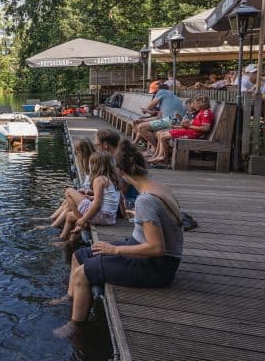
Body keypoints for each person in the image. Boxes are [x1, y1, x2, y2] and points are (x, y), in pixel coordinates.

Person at [52, 140, 183, 338]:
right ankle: (71, 297)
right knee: (79, 255)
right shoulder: (159, 186)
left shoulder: (146, 199)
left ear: (122, 173)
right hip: (145, 248)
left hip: (158, 266)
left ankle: (76, 325)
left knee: (82, 273)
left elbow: (157, 248)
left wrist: (115, 250)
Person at [57, 151, 120, 244]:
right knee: (70, 215)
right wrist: (89, 196)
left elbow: (97, 204)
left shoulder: (99, 180)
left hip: (100, 215)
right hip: (109, 218)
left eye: (90, 163)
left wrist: (83, 219)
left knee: (68, 191)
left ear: (95, 166)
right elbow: (107, 199)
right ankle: (65, 239)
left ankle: (81, 223)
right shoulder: (110, 178)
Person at [149, 95, 214, 165]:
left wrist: (189, 126)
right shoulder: (202, 112)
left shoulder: (206, 113)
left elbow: (206, 128)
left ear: (200, 104)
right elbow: (193, 125)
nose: (194, 106)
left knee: (163, 137)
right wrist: (185, 125)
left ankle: (165, 158)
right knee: (161, 134)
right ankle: (158, 155)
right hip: (189, 131)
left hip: (192, 134)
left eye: (195, 103)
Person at [49, 138, 96, 229]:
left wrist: (86, 192)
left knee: (68, 204)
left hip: (91, 199)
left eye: (77, 151)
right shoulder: (89, 164)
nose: (75, 153)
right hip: (89, 196)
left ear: (83, 152)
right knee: (67, 202)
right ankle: (52, 219)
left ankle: (53, 225)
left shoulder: (92, 165)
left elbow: (96, 190)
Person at [133, 84, 186, 154]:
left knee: (142, 127)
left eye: (155, 92)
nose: (155, 94)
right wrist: (143, 120)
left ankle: (154, 149)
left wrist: (145, 110)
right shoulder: (171, 97)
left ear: (158, 90)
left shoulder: (162, 92)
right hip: (172, 121)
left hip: (172, 122)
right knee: (142, 124)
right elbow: (159, 117)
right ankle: (149, 147)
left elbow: (149, 107)